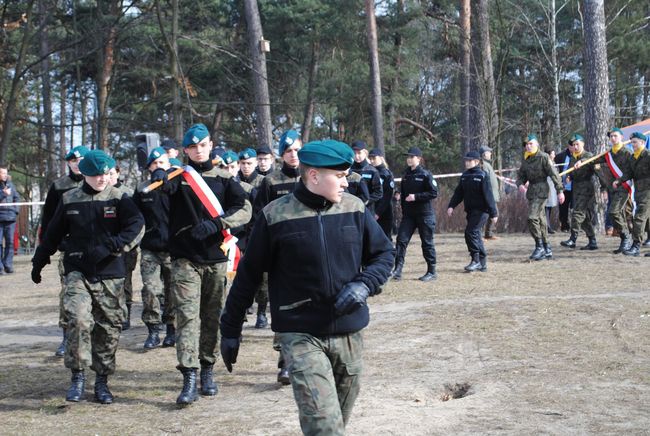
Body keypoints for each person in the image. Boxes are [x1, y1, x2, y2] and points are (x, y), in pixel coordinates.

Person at [219, 139, 394, 435]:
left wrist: (365, 285)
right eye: (338, 176)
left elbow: (384, 254)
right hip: (300, 334)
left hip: (349, 332)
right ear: (313, 175)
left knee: (335, 420)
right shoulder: (275, 216)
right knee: (324, 425)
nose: (345, 183)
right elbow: (248, 276)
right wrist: (230, 329)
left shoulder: (354, 209)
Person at [30, 150, 145, 404]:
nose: (102, 178)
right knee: (78, 320)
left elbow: (136, 225)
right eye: (96, 175)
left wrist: (114, 245)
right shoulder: (70, 198)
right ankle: (78, 376)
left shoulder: (120, 197)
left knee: (108, 328)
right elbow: (52, 232)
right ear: (85, 174)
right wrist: (39, 260)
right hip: (78, 270)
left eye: (106, 173)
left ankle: (102, 381)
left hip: (110, 272)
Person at [151, 123, 251, 405]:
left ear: (210, 144)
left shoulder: (223, 178)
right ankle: (189, 374)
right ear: (185, 150)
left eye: (203, 145)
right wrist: (158, 176)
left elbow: (244, 209)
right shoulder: (178, 177)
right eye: (192, 147)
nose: (198, 150)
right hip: (185, 260)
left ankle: (208, 368)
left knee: (212, 316)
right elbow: (152, 199)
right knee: (186, 317)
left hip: (217, 259)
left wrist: (218, 224)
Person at [252, 130, 303, 375]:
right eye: (288, 151)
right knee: (283, 307)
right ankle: (284, 360)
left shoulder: (312, 177)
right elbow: (260, 217)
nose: (294, 155)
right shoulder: (270, 182)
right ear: (281, 155)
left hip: (307, 253)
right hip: (281, 255)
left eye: (297, 150)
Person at [39, 145, 89, 357]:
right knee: (68, 293)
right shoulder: (59, 186)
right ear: (68, 162)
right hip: (69, 250)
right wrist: (51, 245)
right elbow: (49, 219)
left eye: (81, 159)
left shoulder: (97, 182)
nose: (77, 163)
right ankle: (66, 336)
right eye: (73, 160)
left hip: (96, 250)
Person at [132, 147, 176, 349]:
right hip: (150, 249)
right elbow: (133, 217)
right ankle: (152, 331)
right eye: (155, 164)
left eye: (162, 163)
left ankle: (171, 330)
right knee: (151, 289)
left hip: (174, 249)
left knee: (172, 291)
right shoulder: (142, 189)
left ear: (169, 165)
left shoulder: (177, 185)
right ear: (149, 167)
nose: (158, 167)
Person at [391, 146, 438, 282]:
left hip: (424, 215)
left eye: (412, 157)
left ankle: (431, 271)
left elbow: (434, 193)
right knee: (401, 241)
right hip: (409, 216)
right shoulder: (406, 174)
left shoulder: (425, 174)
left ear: (419, 159)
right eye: (408, 157)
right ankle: (398, 270)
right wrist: (399, 194)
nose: (409, 159)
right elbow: (404, 191)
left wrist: (416, 197)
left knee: (427, 243)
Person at [447, 151, 498, 272]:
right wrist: (451, 206)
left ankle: (475, 260)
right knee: (476, 235)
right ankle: (482, 263)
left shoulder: (482, 175)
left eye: (469, 160)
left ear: (476, 162)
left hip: (482, 211)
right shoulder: (465, 176)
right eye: (466, 160)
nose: (467, 162)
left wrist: (493, 213)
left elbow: (488, 195)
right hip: (470, 211)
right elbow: (458, 193)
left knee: (470, 232)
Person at [516, 134, 565, 261]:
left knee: (532, 218)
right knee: (541, 220)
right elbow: (520, 176)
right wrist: (520, 184)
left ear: (537, 144)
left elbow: (554, 174)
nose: (528, 146)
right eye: (526, 144)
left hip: (542, 190)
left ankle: (539, 246)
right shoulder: (526, 160)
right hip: (531, 191)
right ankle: (546, 247)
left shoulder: (543, 157)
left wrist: (560, 191)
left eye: (530, 143)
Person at [587, 128, 634, 254]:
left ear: (621, 137)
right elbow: (593, 160)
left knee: (614, 212)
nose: (613, 138)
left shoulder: (627, 153)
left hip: (624, 186)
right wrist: (581, 162)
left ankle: (627, 238)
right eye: (611, 136)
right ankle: (626, 240)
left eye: (615, 136)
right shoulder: (609, 154)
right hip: (613, 188)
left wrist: (620, 180)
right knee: (617, 214)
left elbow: (631, 171)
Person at [108, 165, 139, 330]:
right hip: (108, 245)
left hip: (127, 246)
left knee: (125, 280)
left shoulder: (128, 193)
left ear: (118, 173)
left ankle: (125, 315)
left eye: (111, 173)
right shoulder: (102, 193)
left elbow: (136, 221)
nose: (109, 177)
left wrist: (128, 244)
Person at [559, 134, 599, 250]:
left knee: (577, 214)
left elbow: (593, 163)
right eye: (574, 145)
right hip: (576, 189)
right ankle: (592, 241)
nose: (575, 147)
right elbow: (572, 171)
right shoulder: (573, 157)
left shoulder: (588, 156)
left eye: (577, 144)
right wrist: (569, 177)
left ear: (583, 144)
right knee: (584, 217)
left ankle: (573, 239)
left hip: (586, 188)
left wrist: (604, 188)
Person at [616, 132, 650, 256]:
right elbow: (628, 173)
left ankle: (636, 245)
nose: (633, 144)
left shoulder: (648, 155)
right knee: (647, 219)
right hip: (639, 192)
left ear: (642, 142)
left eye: (635, 142)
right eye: (631, 142)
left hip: (648, 191)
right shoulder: (632, 157)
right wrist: (619, 181)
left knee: (639, 218)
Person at [369, 148, 395, 241]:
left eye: (374, 158)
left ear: (380, 158)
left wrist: (378, 212)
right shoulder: (369, 172)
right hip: (371, 209)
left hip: (384, 212)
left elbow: (387, 196)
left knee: (385, 239)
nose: (372, 161)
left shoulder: (386, 174)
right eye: (370, 158)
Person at [350, 140, 383, 213]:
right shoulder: (348, 170)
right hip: (350, 209)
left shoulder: (372, 171)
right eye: (354, 153)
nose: (357, 156)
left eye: (359, 153)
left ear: (365, 153)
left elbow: (378, 192)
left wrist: (365, 200)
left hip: (367, 209)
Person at [0, 165, 20, 274]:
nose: (4, 175)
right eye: (2, 173)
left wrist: (15, 210)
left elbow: (17, 198)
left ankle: (8, 264)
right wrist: (3, 193)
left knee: (10, 243)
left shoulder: (11, 185)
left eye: (5, 173)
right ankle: (0, 267)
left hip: (11, 218)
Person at [479, 146, 500, 240]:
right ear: (484, 154)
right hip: (488, 195)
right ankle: (478, 235)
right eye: (489, 152)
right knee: (484, 215)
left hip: (492, 195)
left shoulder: (487, 164)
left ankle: (488, 234)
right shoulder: (482, 164)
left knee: (492, 214)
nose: (491, 154)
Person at [554, 141, 574, 232]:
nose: (574, 147)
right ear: (568, 146)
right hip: (564, 187)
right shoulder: (561, 156)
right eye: (572, 145)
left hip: (576, 187)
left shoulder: (581, 156)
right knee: (563, 208)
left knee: (576, 207)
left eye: (576, 145)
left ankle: (577, 226)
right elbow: (553, 166)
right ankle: (564, 226)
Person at [544, 146, 558, 234]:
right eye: (553, 153)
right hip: (547, 186)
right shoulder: (546, 163)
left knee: (550, 206)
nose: (554, 155)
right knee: (546, 207)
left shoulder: (553, 163)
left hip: (552, 187)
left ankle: (548, 226)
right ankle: (547, 226)